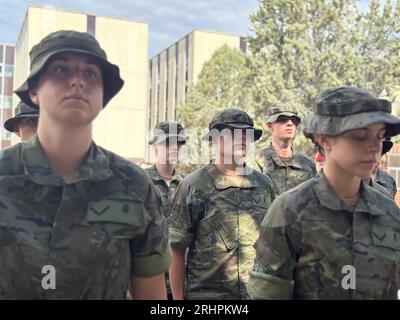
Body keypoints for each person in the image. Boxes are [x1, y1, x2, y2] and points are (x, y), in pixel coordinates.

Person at [0, 30, 170, 299]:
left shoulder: (134, 186)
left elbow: (151, 295)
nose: (78, 81)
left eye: (91, 74)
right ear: (34, 90)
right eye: (60, 70)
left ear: (103, 95)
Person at [248, 86, 400, 300]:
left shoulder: (388, 212)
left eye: (379, 136)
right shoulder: (289, 212)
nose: (374, 147)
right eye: (359, 136)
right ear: (324, 140)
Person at [168, 108, 276, 300]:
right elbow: (176, 249)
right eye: (234, 133)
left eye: (247, 134)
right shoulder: (195, 185)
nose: (242, 138)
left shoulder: (264, 185)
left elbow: (275, 244)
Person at [146, 121, 186, 299]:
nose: (175, 147)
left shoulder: (188, 185)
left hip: (180, 280)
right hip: (148, 278)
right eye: (168, 142)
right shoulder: (140, 181)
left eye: (179, 142)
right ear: (155, 146)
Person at [255, 105, 316, 195]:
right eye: (282, 119)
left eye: (294, 121)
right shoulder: (257, 161)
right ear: (270, 126)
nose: (290, 124)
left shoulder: (308, 164)